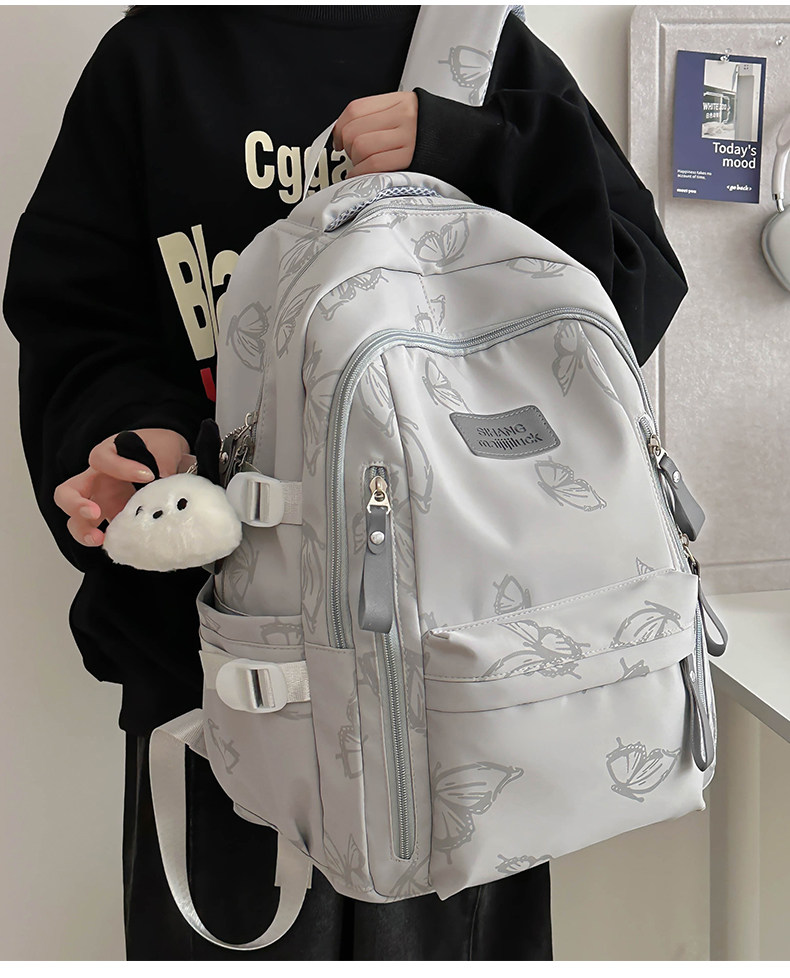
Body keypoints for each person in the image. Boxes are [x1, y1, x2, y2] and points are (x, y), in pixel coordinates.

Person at [3, 5, 688, 961]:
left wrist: (475, 149)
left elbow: (625, 292)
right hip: (217, 677)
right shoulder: (154, 58)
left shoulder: (473, 40)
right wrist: (126, 436)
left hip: (462, 679)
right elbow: (76, 314)